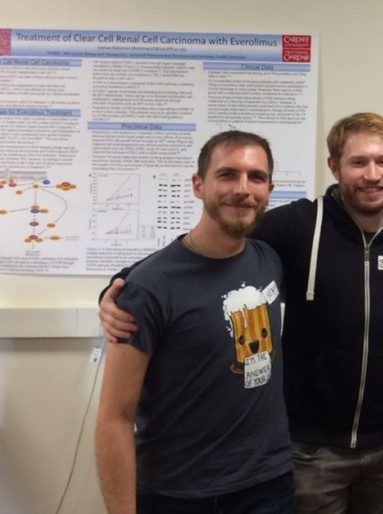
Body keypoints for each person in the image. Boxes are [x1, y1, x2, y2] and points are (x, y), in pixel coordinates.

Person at [98, 113, 383, 514]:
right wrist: (119, 286)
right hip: (309, 448)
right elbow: (203, 247)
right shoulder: (297, 225)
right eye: (358, 162)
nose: (372, 175)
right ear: (334, 166)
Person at [94, 130, 294, 514]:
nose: (243, 188)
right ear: (198, 185)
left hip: (268, 485)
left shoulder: (269, 259)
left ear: (270, 188)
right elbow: (114, 419)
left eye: (256, 177)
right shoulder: (148, 287)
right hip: (179, 494)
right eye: (227, 174)